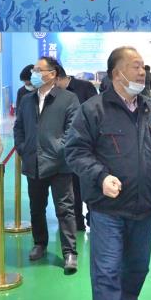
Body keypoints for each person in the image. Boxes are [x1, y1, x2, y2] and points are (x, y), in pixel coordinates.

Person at [65, 46, 151, 300]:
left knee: (138, 268)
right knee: (107, 273)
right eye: (135, 66)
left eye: (143, 66)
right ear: (117, 73)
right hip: (107, 210)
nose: (142, 72)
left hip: (144, 207)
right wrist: (100, 177)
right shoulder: (93, 110)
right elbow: (75, 151)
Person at [13, 57, 80, 274]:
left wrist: (59, 149)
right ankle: (39, 243)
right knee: (36, 207)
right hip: (34, 163)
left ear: (52, 74)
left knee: (65, 209)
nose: (34, 73)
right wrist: (23, 148)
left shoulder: (68, 99)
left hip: (60, 165)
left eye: (38, 70)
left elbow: (73, 130)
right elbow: (18, 127)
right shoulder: (26, 100)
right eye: (34, 69)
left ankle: (69, 252)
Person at [55, 66, 98, 230]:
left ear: (58, 78)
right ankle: (77, 222)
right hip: (68, 148)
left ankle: (93, 219)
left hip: (88, 147)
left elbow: (96, 113)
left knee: (90, 184)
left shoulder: (85, 87)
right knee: (72, 188)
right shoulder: (56, 94)